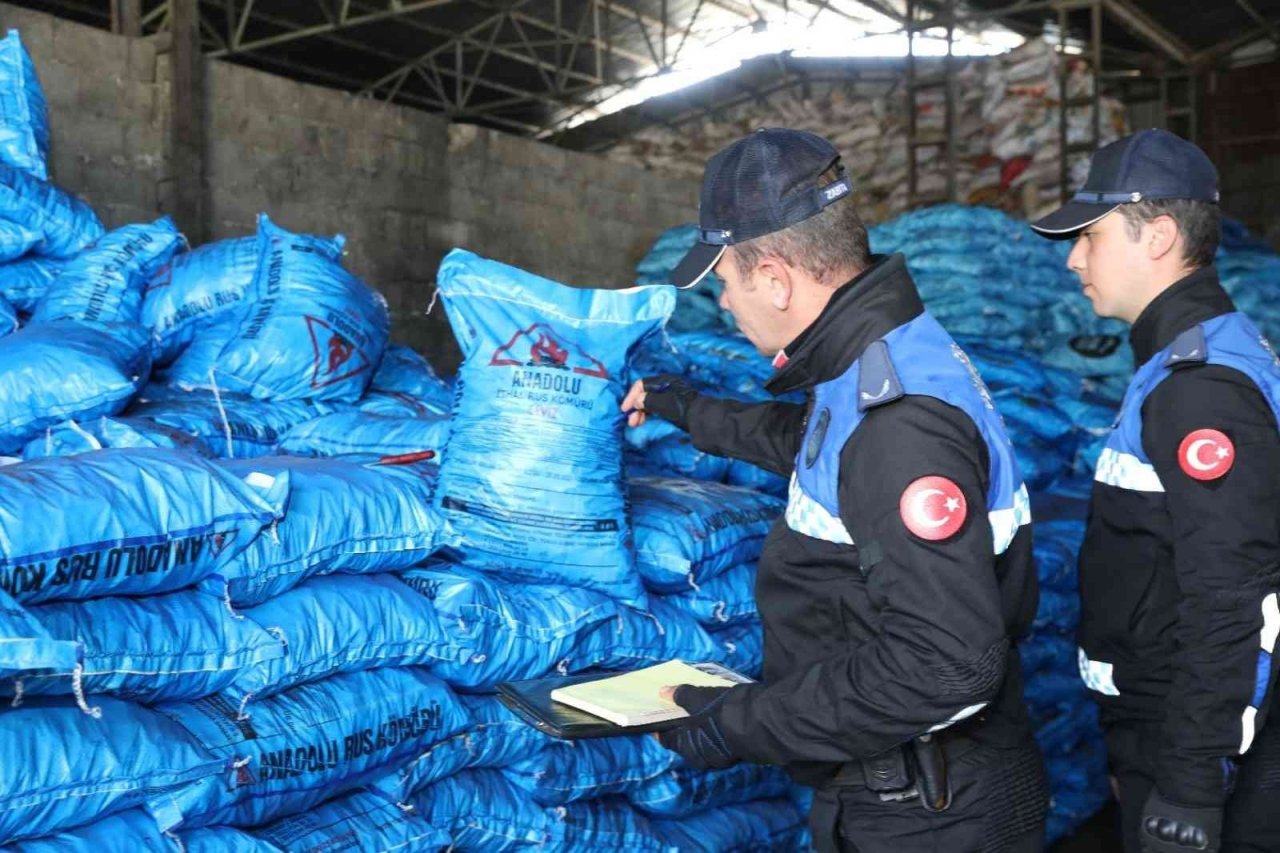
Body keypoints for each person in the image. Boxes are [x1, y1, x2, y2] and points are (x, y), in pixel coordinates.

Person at [622, 128, 1048, 852]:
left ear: (777, 278)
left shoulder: (900, 420)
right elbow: (816, 448)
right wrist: (682, 407)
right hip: (914, 790)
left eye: (726, 278)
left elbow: (946, 662)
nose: (724, 301)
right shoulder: (875, 360)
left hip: (928, 814)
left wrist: (736, 722)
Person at [1030, 128, 1280, 853]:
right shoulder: (1183, 360)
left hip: (1206, 761)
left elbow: (1235, 595)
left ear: (1160, 235)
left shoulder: (1202, 389)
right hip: (1161, 735)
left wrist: (1192, 782)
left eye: (1092, 235)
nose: (1074, 257)